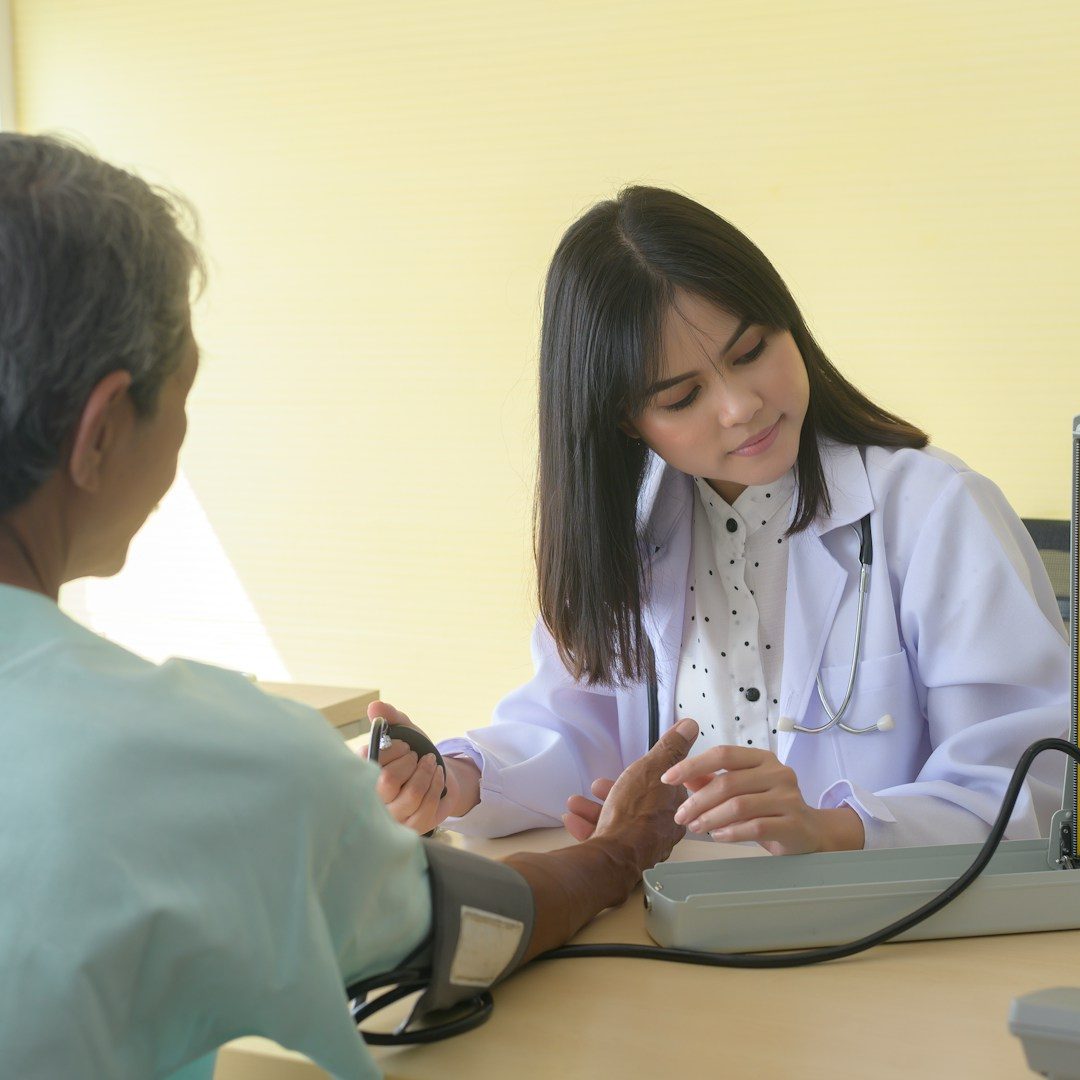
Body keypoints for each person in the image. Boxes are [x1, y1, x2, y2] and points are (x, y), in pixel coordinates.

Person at [0, 135, 698, 1080]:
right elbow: (469, 928)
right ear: (102, 430)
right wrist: (619, 853)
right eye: (185, 392)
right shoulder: (200, 758)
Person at [369, 185, 1069, 854]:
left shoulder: (937, 511)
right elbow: (568, 732)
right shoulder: (623, 537)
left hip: (887, 920)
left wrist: (829, 830)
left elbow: (1028, 788)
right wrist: (454, 780)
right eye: (682, 397)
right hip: (678, 911)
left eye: (752, 351)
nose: (741, 407)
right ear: (626, 420)